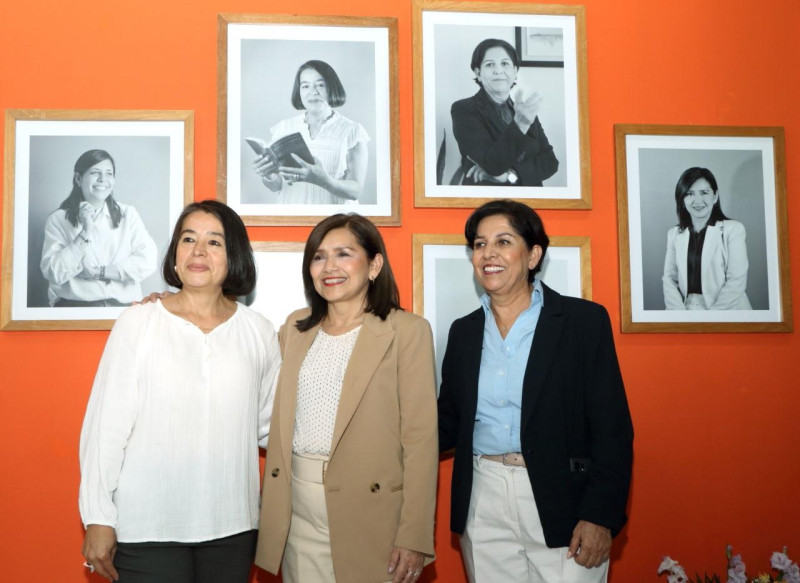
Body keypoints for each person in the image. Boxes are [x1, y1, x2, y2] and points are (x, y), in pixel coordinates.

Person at [79, 200, 281, 582]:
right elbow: (105, 428)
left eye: (214, 242)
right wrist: (98, 516)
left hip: (234, 528)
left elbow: (272, 427)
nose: (199, 251)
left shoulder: (259, 331)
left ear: (233, 255)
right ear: (175, 256)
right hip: (147, 527)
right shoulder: (138, 322)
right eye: (189, 239)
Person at [437, 199, 633, 583]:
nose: (488, 254)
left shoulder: (583, 322)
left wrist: (599, 516)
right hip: (484, 496)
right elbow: (448, 421)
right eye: (479, 244)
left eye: (503, 241)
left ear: (533, 255)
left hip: (564, 497)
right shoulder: (463, 332)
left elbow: (612, 429)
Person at [254, 213, 438, 583]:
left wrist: (414, 533)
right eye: (319, 257)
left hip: (371, 510)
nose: (329, 267)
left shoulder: (407, 331)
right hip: (297, 508)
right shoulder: (294, 328)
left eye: (344, 254)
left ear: (374, 265)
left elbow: (420, 440)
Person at [41, 149, 158, 307]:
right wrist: (85, 232)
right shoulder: (58, 219)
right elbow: (53, 273)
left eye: (109, 173)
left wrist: (99, 272)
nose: (103, 179)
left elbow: (148, 261)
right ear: (78, 178)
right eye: (95, 172)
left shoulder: (128, 214)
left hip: (125, 309)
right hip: (75, 308)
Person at [253, 60, 370, 205]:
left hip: (334, 218)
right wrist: (268, 174)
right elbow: (277, 186)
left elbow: (355, 191)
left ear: (332, 88)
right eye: (305, 86)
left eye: (320, 85)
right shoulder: (284, 128)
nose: (312, 92)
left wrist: (324, 181)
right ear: (299, 91)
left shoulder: (352, 130)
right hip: (292, 214)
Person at [450, 39, 559, 186]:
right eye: (490, 64)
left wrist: (510, 175)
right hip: (486, 200)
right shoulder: (463, 109)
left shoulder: (525, 112)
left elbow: (550, 162)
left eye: (505, 64)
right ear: (478, 73)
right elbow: (492, 164)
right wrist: (520, 125)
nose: (498, 70)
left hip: (530, 200)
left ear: (514, 72)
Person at [662, 167, 751, 310]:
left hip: (728, 310)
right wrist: (679, 314)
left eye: (704, 193)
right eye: (689, 193)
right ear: (682, 199)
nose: (697, 201)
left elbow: (737, 280)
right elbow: (669, 279)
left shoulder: (734, 230)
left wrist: (713, 318)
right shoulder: (674, 234)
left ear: (715, 196)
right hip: (686, 309)